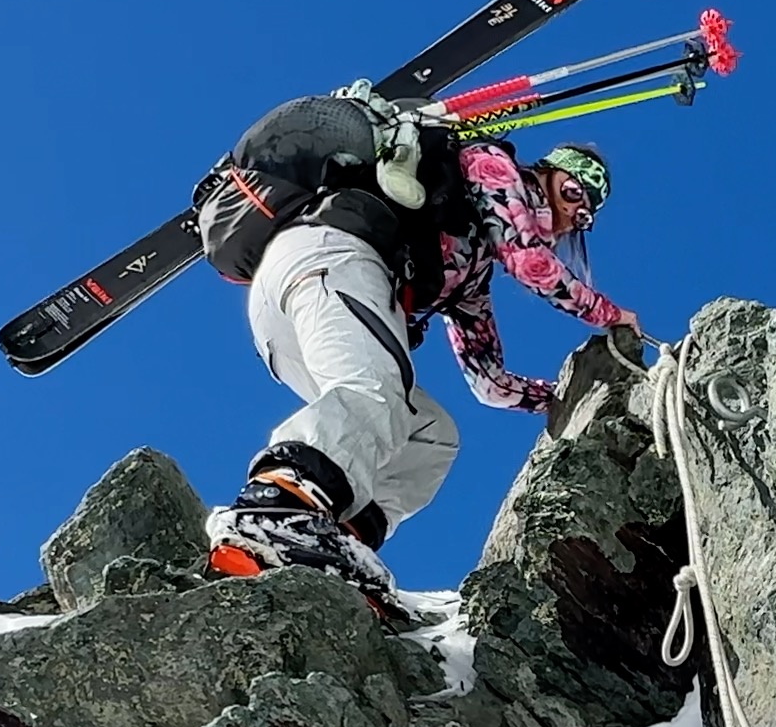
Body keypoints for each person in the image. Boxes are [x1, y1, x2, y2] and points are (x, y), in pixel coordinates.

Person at [189, 86, 636, 597]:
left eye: (584, 216)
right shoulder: (490, 165)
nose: (571, 214)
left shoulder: (469, 273)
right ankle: (276, 509)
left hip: (298, 305)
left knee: (430, 434)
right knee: (374, 392)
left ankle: (336, 535)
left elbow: (488, 381)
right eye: (572, 191)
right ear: (546, 172)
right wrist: (610, 315)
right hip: (331, 256)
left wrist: (557, 398)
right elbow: (528, 260)